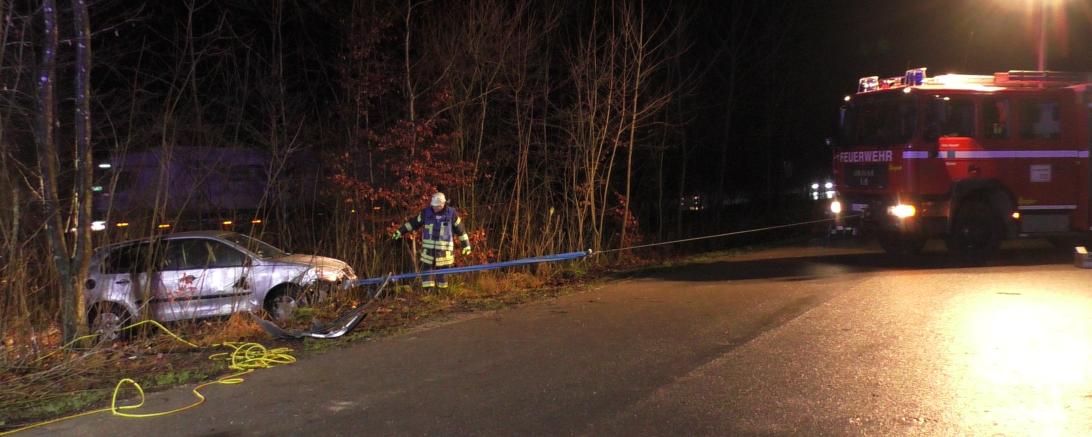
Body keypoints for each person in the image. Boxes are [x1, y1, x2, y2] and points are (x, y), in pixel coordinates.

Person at [392, 192, 471, 290]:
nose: (435, 208)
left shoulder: (452, 214)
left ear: (443, 204)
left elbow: (461, 230)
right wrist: (400, 231)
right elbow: (413, 223)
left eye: (437, 206)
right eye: (434, 206)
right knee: (426, 274)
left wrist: (466, 245)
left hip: (444, 253)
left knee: (442, 276)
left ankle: (442, 294)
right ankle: (427, 294)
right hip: (428, 252)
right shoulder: (426, 213)